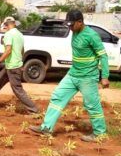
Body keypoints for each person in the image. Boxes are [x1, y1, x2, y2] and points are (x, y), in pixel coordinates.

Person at [29, 10, 109, 142]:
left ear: (80, 22)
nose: (70, 28)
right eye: (68, 25)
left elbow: (103, 55)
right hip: (73, 74)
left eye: (72, 25)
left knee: (92, 105)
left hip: (88, 77)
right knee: (57, 96)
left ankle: (100, 134)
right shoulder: (75, 32)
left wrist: (105, 76)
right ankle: (46, 128)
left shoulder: (92, 35)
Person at [0, 17, 39, 114]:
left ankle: (33, 110)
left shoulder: (8, 34)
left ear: (6, 25)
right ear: (14, 23)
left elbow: (8, 50)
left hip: (13, 67)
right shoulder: (20, 34)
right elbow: (22, 50)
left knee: (17, 89)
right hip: (11, 65)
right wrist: (21, 62)